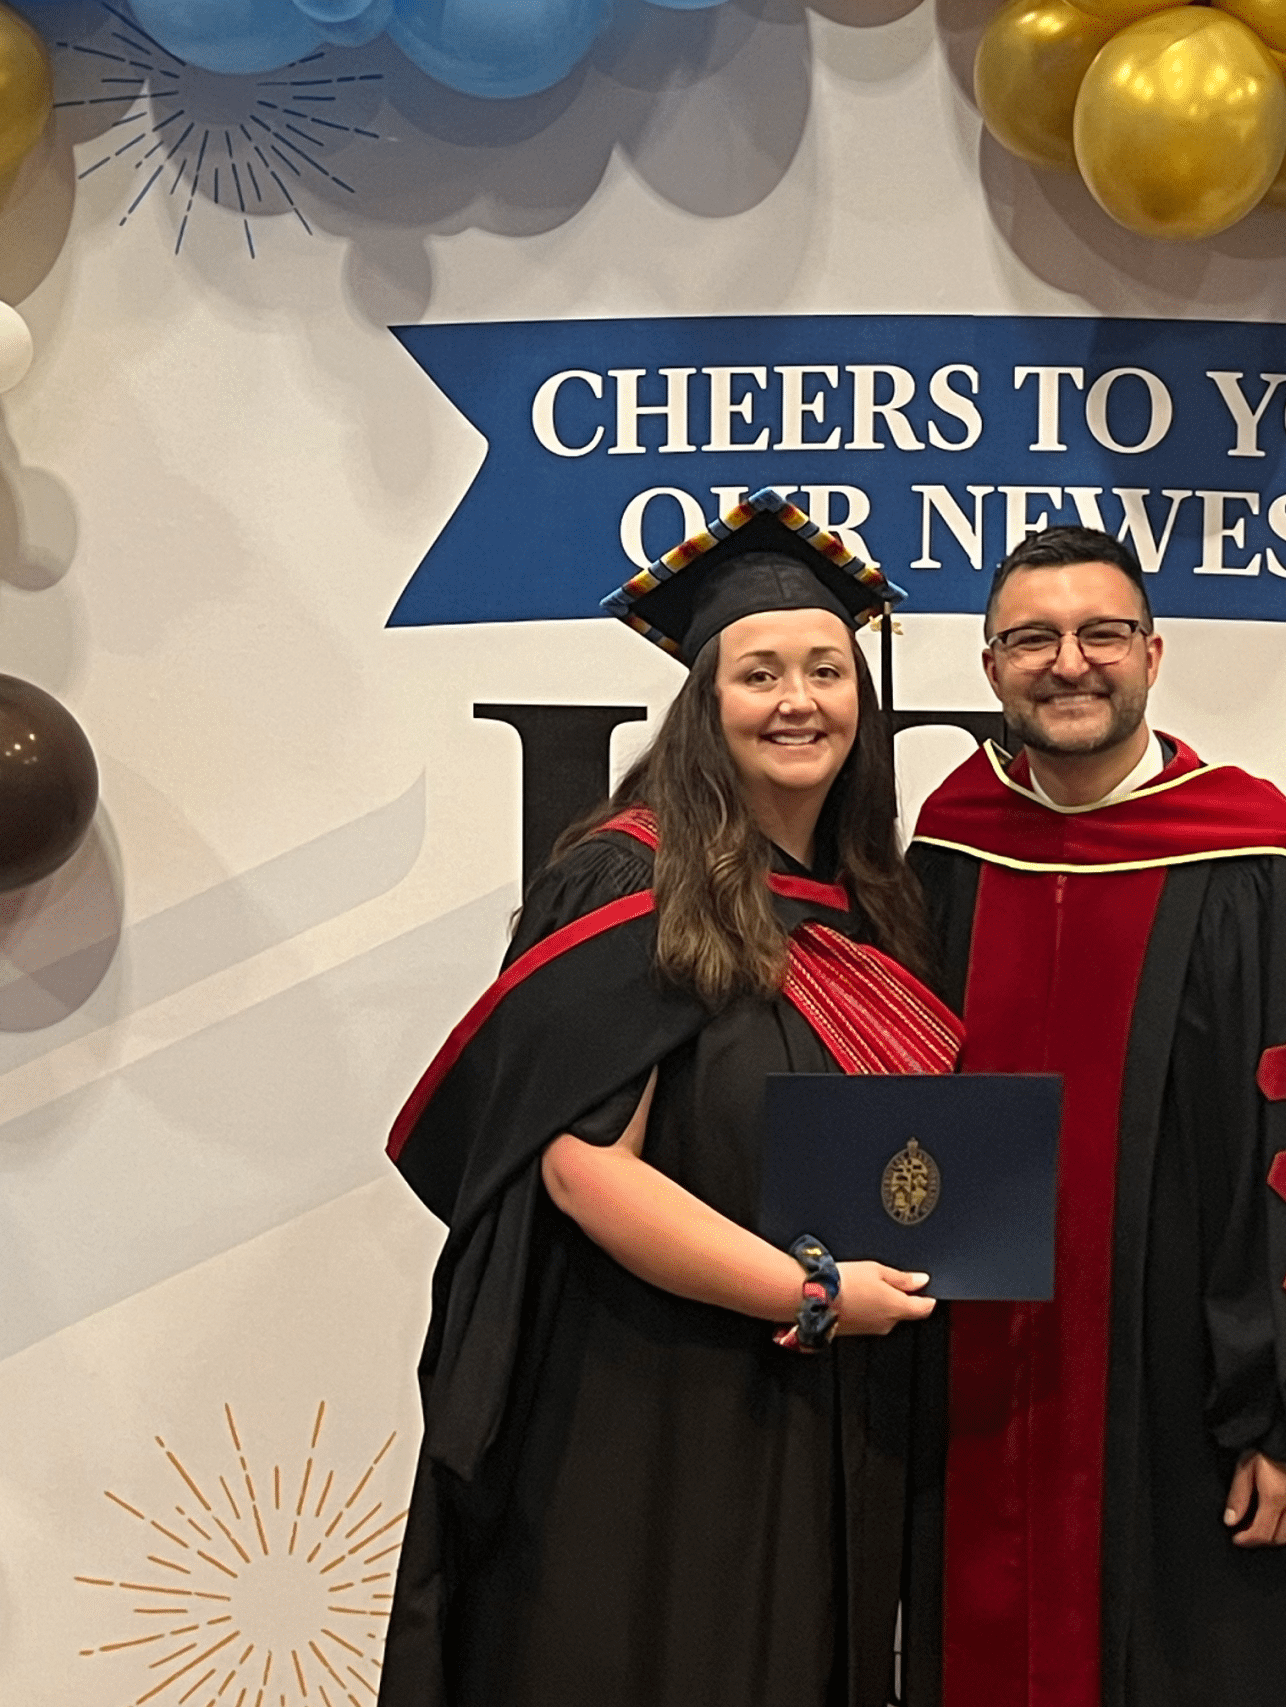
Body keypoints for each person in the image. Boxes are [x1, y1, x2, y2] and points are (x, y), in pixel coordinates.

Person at [383, 491, 961, 1707]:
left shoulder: (873, 904)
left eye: (825, 669)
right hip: (654, 1398)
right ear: (704, 702)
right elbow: (583, 1169)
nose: (798, 700)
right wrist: (808, 1296)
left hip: (828, 1399)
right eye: (759, 673)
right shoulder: (630, 881)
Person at [907, 526, 1286, 1707]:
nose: (1070, 663)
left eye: (1101, 634)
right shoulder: (950, 851)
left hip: (1199, 1404)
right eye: (1034, 639)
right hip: (979, 1394)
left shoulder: (1262, 867)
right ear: (990, 666)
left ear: (1152, 655)